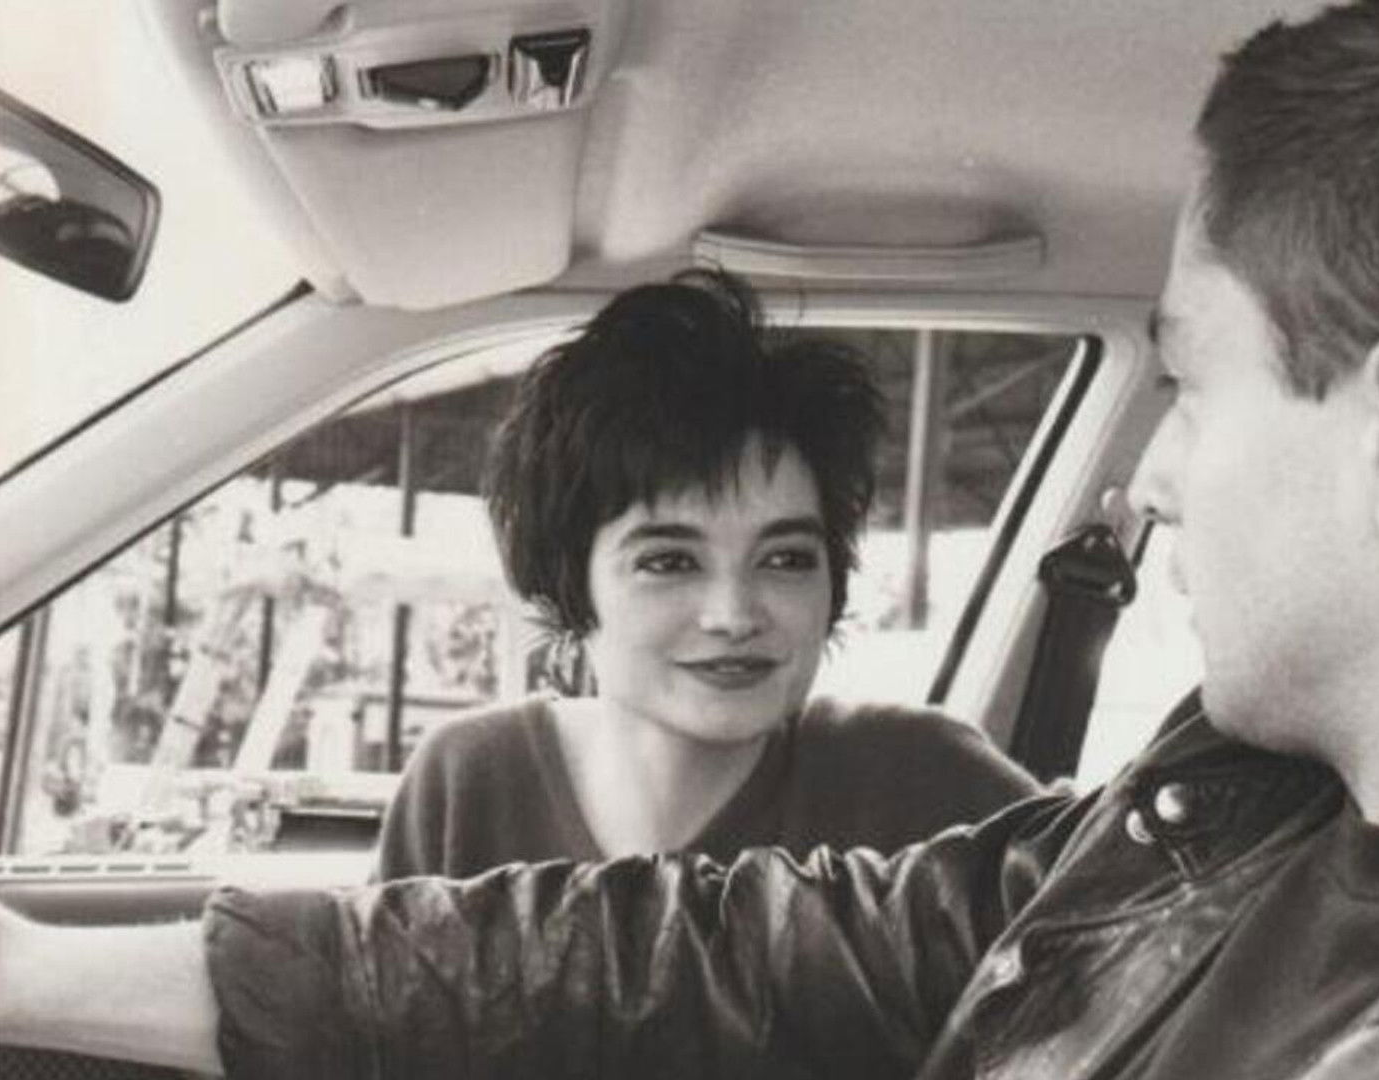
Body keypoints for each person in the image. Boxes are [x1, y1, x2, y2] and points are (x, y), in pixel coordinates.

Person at [0, 0, 1379, 1076]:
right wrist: (29, 977)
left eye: (1191, 383)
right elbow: (732, 950)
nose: (1158, 481)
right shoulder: (1254, 812)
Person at [372, 269, 1037, 881]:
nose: (735, 615)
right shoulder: (468, 785)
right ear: (569, 579)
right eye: (669, 562)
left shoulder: (923, 779)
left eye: (786, 559)